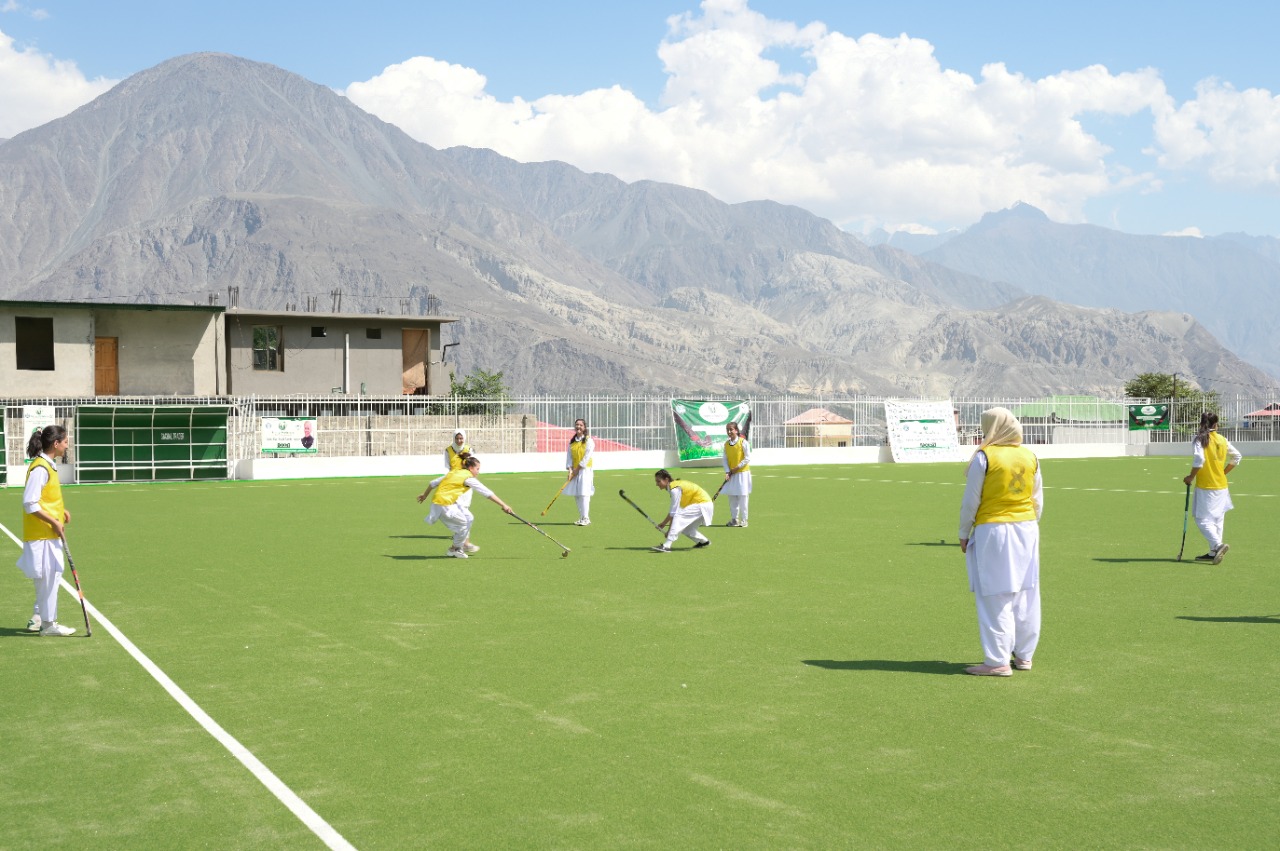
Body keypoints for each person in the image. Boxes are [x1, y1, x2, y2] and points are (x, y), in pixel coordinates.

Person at [957, 407, 1043, 676]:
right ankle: (1024, 655)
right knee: (1026, 591)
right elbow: (1037, 499)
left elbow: (971, 501)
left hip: (994, 529)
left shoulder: (985, 457)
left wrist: (963, 532)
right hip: (1027, 528)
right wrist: (1028, 524)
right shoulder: (1030, 456)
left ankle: (997, 661)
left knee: (995, 593)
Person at [17, 425, 77, 636]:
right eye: (66, 441)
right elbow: (29, 503)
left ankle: (38, 617)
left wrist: (61, 511)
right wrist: (54, 521)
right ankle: (48, 624)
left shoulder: (47, 465)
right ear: (56, 444)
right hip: (42, 534)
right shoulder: (41, 468)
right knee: (49, 577)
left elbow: (44, 499)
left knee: (50, 576)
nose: (67, 445)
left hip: (45, 533)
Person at [417, 454, 513, 559]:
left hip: (445, 503)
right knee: (464, 523)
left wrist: (424, 495)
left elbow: (432, 483)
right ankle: (455, 549)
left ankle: (461, 545)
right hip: (443, 504)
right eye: (477, 469)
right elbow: (486, 492)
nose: (478, 472)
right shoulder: (468, 478)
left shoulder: (454, 472)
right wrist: (503, 505)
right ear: (470, 468)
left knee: (469, 518)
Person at [1183, 412, 1241, 564]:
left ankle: (1217, 545)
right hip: (1221, 485)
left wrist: (1191, 477)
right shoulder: (1222, 439)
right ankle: (1213, 551)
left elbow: (1199, 459)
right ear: (1216, 424)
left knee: (1201, 519)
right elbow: (1237, 457)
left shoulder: (1199, 439)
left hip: (1206, 485)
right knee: (1217, 518)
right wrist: (1223, 473)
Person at [651, 469, 714, 553]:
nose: (656, 484)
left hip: (702, 504)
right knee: (686, 528)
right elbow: (675, 512)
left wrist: (664, 524)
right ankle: (704, 541)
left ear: (666, 480)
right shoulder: (674, 487)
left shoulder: (675, 489)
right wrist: (669, 530)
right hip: (704, 505)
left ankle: (666, 545)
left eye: (658, 481)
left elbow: (674, 513)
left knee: (678, 516)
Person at [564, 418, 595, 525]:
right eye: (577, 425)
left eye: (581, 425)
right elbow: (569, 457)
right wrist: (570, 470)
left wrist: (577, 469)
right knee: (576, 494)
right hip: (575, 471)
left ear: (584, 427)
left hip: (585, 471)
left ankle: (586, 518)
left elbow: (587, 457)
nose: (578, 427)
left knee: (584, 493)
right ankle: (582, 517)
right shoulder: (572, 442)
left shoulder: (589, 441)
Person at [720, 421, 752, 527]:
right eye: (727, 430)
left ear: (736, 430)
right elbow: (724, 459)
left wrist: (737, 467)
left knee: (743, 497)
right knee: (732, 497)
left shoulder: (743, 442)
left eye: (731, 429)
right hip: (732, 475)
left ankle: (744, 520)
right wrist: (727, 471)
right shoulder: (726, 444)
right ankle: (734, 519)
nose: (729, 432)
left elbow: (747, 458)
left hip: (742, 474)